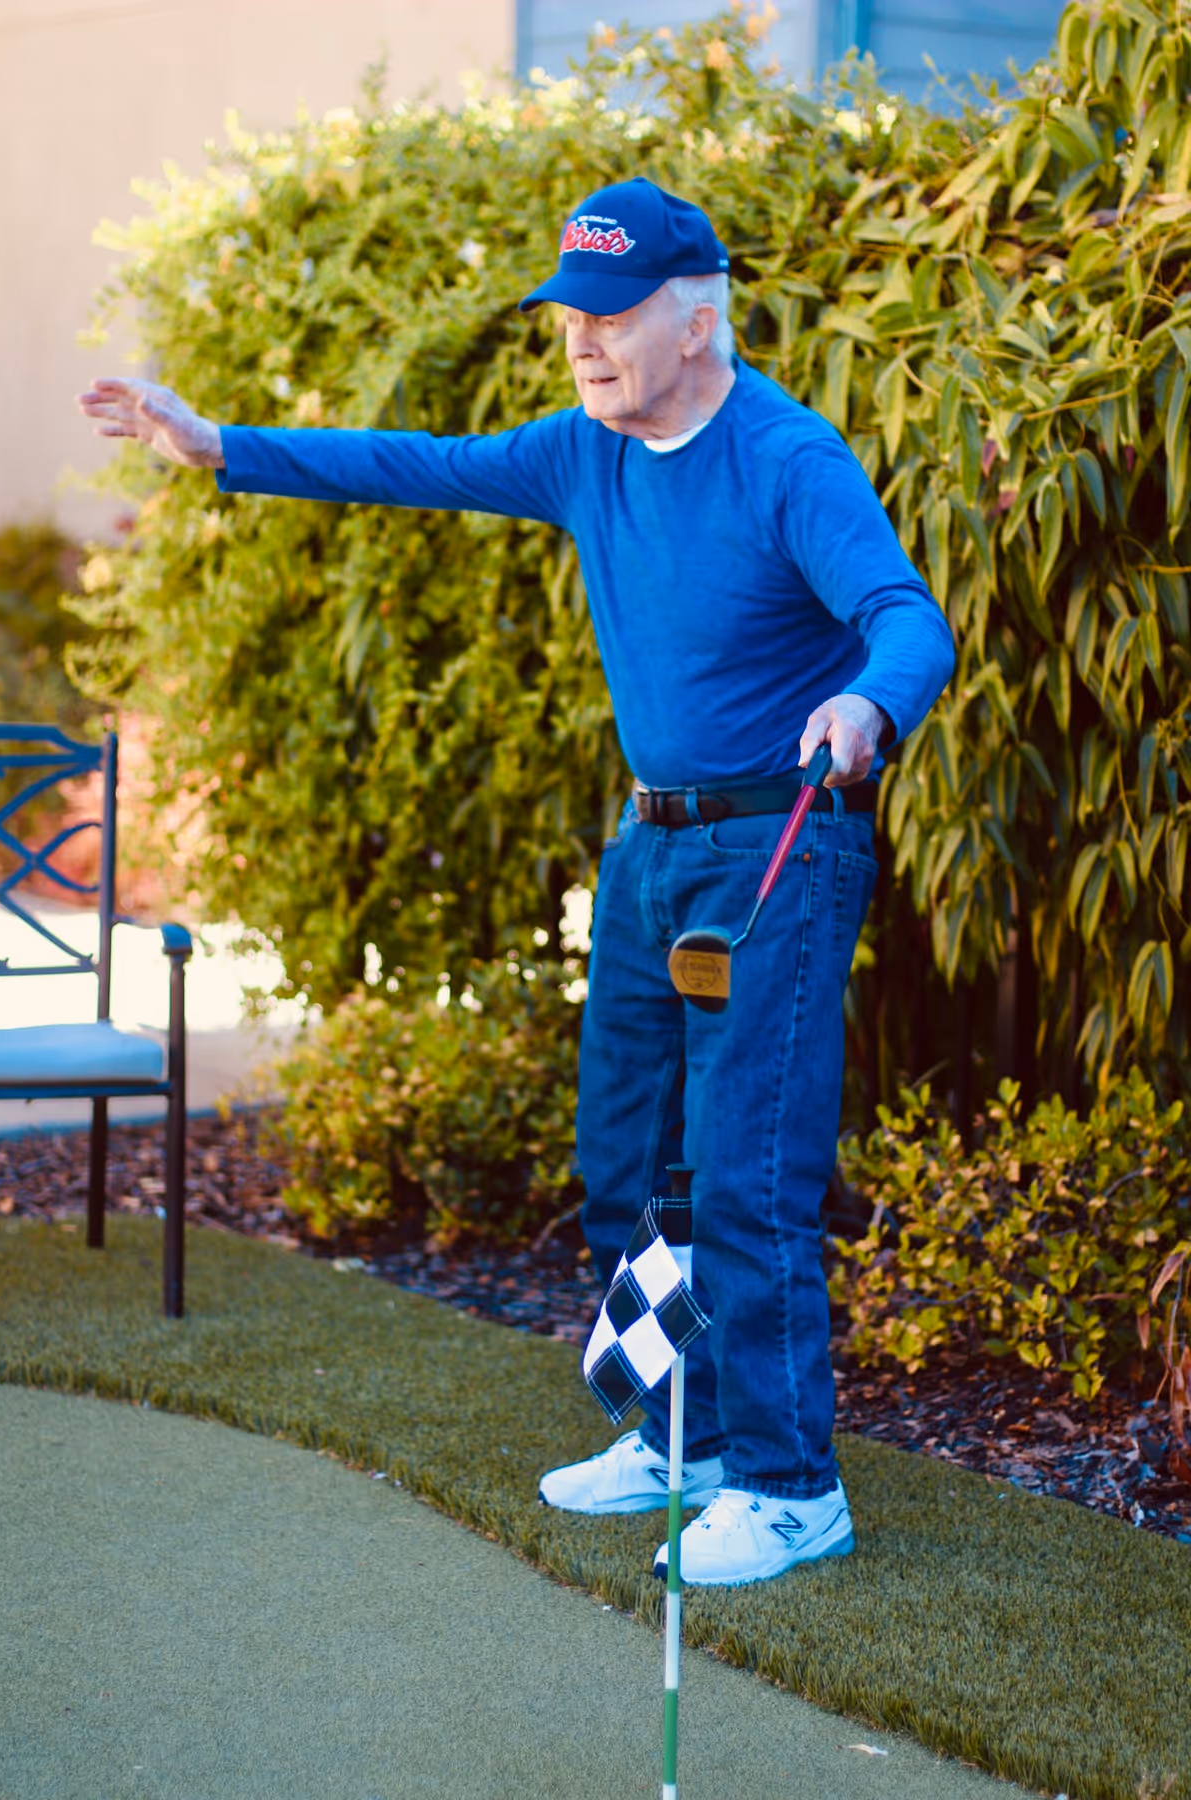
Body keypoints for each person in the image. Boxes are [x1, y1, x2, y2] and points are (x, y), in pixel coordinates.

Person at [79, 176, 954, 1586]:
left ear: (699, 317)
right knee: (626, 1161)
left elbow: (906, 618)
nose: (585, 345)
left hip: (782, 841)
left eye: (611, 318)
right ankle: (684, 1438)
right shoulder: (582, 453)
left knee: (747, 1174)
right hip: (650, 846)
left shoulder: (790, 458)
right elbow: (417, 463)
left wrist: (869, 708)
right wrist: (215, 444)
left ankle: (793, 1490)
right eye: (572, 321)